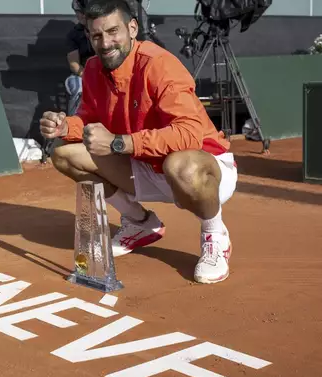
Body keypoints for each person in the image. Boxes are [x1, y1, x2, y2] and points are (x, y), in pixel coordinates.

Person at [39, 0, 237, 284]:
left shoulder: (160, 64)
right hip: (147, 166)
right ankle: (141, 224)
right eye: (96, 36)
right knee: (65, 154)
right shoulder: (94, 69)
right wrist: (64, 126)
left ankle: (215, 233)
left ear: (132, 28)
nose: (105, 43)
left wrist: (119, 143)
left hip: (204, 169)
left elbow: (189, 135)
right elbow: (89, 119)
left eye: (112, 32)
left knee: (181, 163)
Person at [64, 0, 95, 115]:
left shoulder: (103, 29)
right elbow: (74, 64)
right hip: (83, 74)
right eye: (77, 12)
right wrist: (88, 76)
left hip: (107, 73)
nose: (80, 15)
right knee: (77, 87)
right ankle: (73, 127)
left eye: (83, 12)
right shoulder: (74, 35)